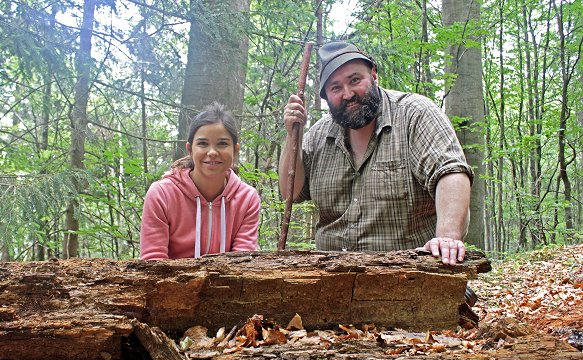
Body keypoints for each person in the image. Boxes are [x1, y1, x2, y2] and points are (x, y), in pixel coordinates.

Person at [280, 41, 474, 266]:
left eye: (355, 80)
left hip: (410, 277)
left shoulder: (416, 114)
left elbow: (450, 172)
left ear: (373, 74)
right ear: (326, 97)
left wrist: (447, 238)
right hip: (331, 280)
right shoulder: (317, 135)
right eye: (335, 88)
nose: (348, 94)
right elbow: (291, 193)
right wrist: (292, 135)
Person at [140, 102, 261, 260]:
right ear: (190, 149)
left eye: (222, 144)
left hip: (227, 283)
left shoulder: (248, 198)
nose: (212, 152)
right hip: (169, 283)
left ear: (235, 150)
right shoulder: (162, 194)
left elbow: (242, 261)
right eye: (203, 144)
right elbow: (153, 262)